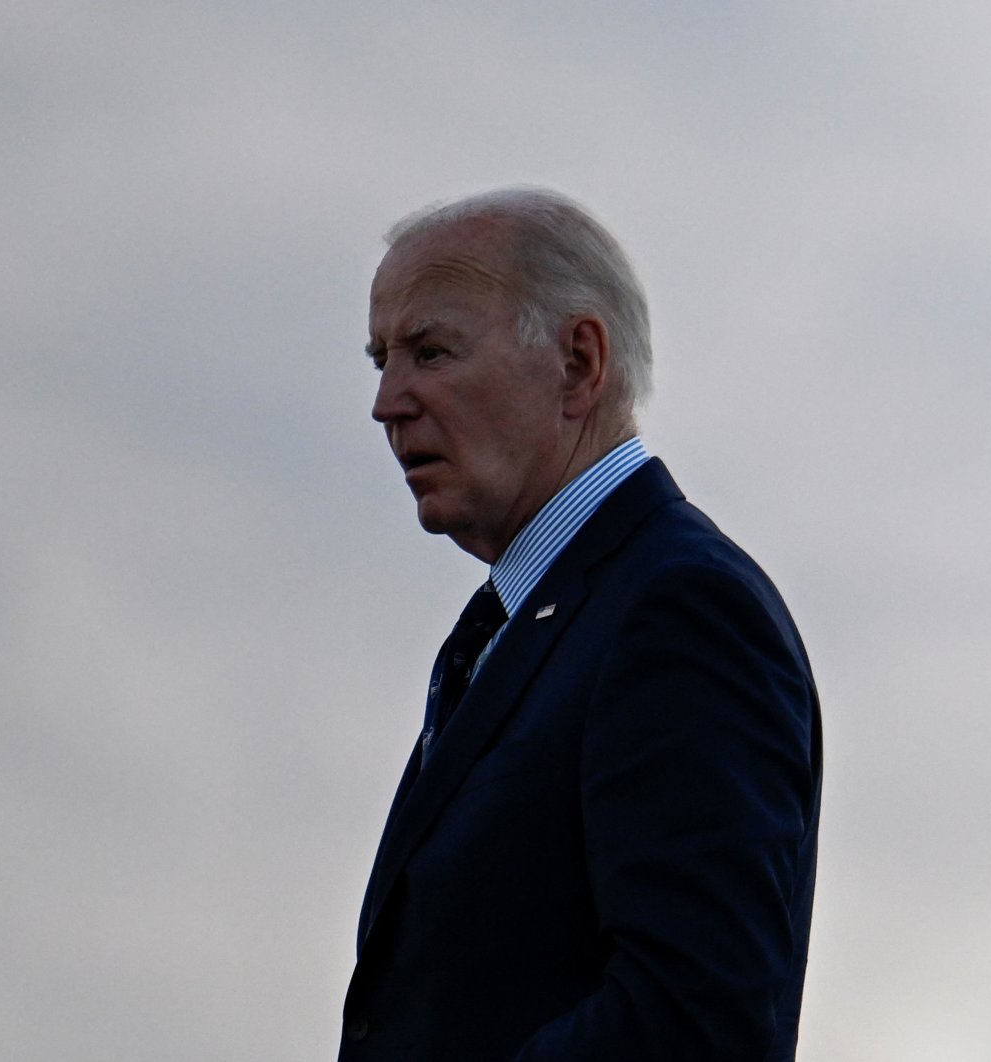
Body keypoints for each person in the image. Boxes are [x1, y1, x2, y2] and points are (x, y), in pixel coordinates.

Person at [341, 188, 821, 1061]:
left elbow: (693, 1021)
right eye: (380, 358)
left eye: (430, 351)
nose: (387, 401)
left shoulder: (679, 608)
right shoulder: (514, 628)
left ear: (578, 363)